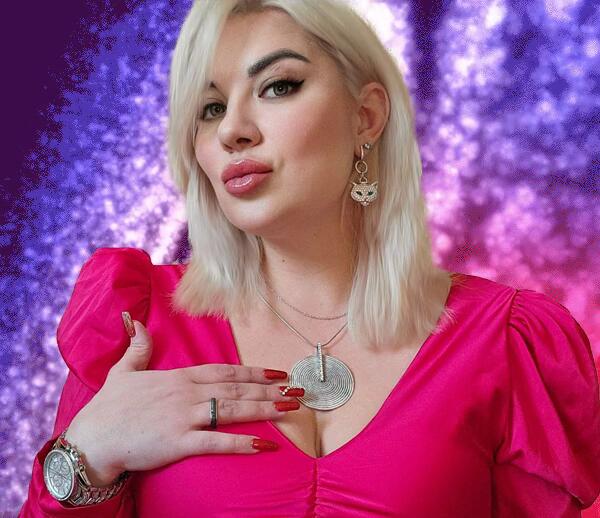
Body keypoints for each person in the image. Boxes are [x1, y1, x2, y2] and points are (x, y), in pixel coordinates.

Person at [19, 0, 600, 516]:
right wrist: (85, 456)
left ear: (366, 117)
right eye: (211, 108)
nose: (233, 131)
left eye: (278, 86)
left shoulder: (508, 344)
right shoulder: (133, 322)